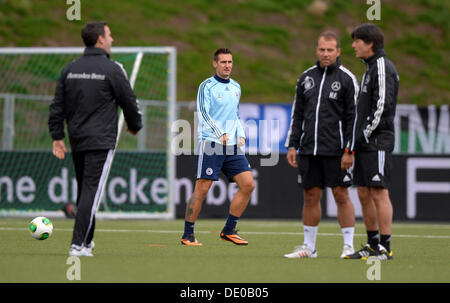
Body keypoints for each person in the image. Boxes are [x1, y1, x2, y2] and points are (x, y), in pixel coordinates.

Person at [49, 21, 142, 256]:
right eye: (110, 35)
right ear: (100, 39)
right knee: (91, 191)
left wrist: (57, 136)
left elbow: (57, 105)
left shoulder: (70, 69)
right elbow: (129, 101)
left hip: (77, 139)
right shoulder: (113, 69)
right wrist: (135, 125)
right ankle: (77, 244)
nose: (113, 39)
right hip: (101, 140)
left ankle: (87, 241)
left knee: (85, 190)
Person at [284, 31, 359, 259]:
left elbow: (353, 118)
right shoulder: (306, 78)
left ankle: (348, 246)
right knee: (310, 196)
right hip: (308, 149)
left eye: (330, 50)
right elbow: (297, 114)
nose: (325, 54)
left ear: (338, 52)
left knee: (341, 195)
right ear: (316, 50)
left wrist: (349, 149)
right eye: (321, 49)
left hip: (337, 151)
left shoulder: (347, 79)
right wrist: (292, 145)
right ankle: (309, 247)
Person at [180, 48, 255, 246]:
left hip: (231, 145)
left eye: (230, 62)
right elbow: (203, 114)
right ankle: (188, 234)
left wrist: (241, 134)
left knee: (248, 184)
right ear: (215, 64)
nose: (227, 65)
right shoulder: (207, 86)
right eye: (223, 62)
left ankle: (229, 230)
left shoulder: (236, 87)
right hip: (210, 143)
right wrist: (218, 132)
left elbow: (235, 115)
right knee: (202, 189)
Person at [344, 23, 398, 260]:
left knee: (378, 192)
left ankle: (385, 247)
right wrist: (354, 142)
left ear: (370, 44)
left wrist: (365, 134)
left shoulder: (382, 67)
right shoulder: (368, 70)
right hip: (365, 142)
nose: (353, 45)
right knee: (364, 193)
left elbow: (382, 106)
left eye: (357, 41)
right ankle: (372, 244)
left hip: (378, 140)